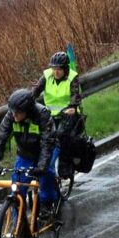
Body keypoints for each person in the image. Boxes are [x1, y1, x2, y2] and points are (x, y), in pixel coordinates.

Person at [0, 88, 59, 218]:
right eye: (12, 112)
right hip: (25, 153)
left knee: (47, 173)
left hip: (45, 150)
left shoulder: (42, 114)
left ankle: (47, 204)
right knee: (17, 189)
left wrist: (41, 166)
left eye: (18, 113)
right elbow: (1, 139)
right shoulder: (11, 115)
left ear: (27, 110)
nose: (14, 116)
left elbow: (47, 143)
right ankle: (18, 228)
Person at [32, 51, 84, 179]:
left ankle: (65, 167)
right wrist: (27, 102)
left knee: (63, 137)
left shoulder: (72, 77)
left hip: (68, 115)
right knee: (40, 138)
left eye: (59, 69)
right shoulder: (47, 75)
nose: (56, 72)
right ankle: (39, 165)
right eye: (54, 68)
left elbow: (75, 94)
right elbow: (35, 91)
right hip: (48, 115)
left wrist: (72, 106)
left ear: (65, 69)